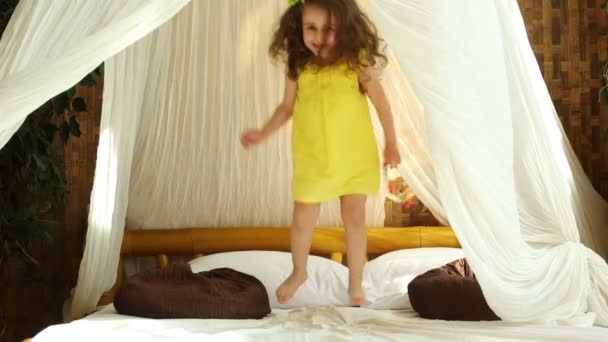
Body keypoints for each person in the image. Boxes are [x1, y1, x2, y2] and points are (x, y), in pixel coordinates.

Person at [240, 0, 400, 306]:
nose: (319, 36)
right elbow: (286, 107)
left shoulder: (355, 60)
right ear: (298, 28)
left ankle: (356, 287)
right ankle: (299, 271)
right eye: (310, 28)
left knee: (354, 218)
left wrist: (391, 143)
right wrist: (263, 132)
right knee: (302, 218)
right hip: (313, 155)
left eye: (329, 29)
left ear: (345, 28)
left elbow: (381, 102)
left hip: (353, 153)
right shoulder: (298, 64)